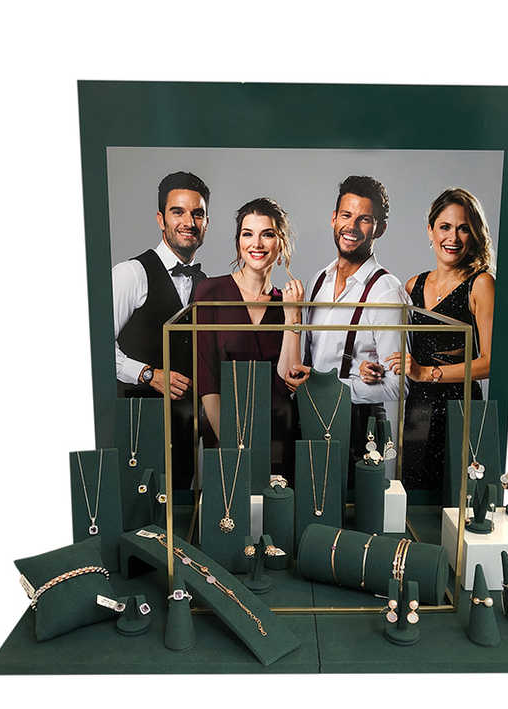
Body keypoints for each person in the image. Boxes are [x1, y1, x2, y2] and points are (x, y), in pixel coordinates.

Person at [286, 175, 409, 472]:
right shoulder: (319, 281)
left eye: (364, 219)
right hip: (309, 417)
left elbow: (398, 386)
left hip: (359, 425)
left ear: (380, 228)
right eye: (346, 215)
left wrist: (329, 387)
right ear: (333, 218)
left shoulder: (386, 292)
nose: (351, 227)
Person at [386, 187, 495, 503]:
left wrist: (427, 373)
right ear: (430, 230)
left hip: (459, 409)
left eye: (464, 228)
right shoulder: (413, 285)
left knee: (455, 502)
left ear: (474, 234)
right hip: (417, 409)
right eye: (445, 227)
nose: (453, 237)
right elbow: (402, 351)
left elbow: (491, 363)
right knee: (413, 498)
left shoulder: (481, 284)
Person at [112, 170, 210, 486]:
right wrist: (147, 374)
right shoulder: (130, 274)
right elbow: (95, 348)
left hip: (185, 435)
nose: (189, 222)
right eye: (177, 212)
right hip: (137, 426)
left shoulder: (207, 286)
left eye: (197, 214)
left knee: (178, 507)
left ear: (206, 222)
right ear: (160, 219)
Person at [195, 197, 303, 475]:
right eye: (248, 234)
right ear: (238, 242)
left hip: (277, 436)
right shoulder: (210, 292)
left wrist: (292, 316)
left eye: (267, 234)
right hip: (224, 437)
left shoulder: (285, 303)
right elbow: (207, 379)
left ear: (281, 243)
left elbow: (288, 380)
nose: (256, 244)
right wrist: (234, 447)